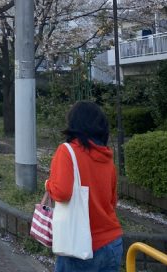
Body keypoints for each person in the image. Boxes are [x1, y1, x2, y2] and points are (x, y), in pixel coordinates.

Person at [45, 101, 123, 272]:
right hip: (113, 243)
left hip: (79, 246)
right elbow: (112, 201)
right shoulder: (107, 157)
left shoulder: (67, 151)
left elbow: (62, 192)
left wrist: (48, 184)